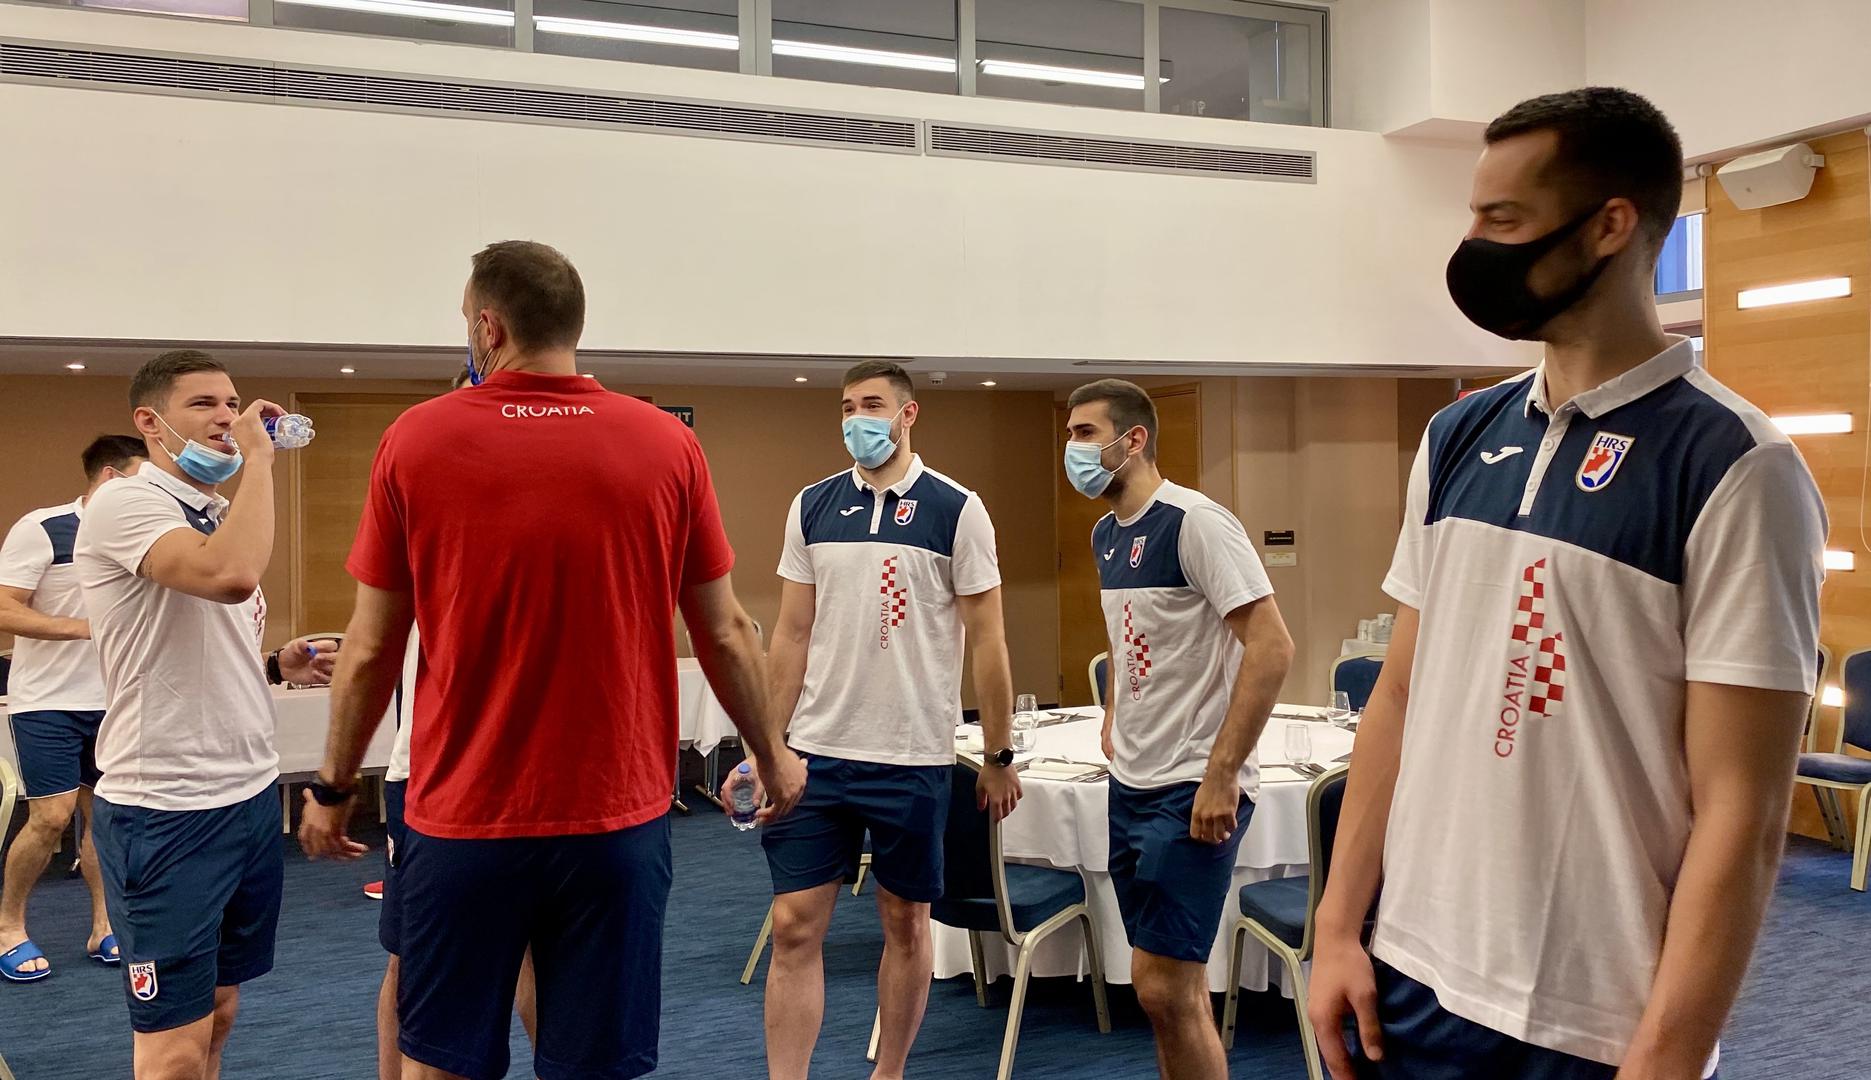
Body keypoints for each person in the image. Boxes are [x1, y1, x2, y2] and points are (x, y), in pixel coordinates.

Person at [1307, 88, 1825, 1080]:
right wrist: (1337, 927)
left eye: (1501, 219)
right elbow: (1399, 695)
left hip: (1588, 1019)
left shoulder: (1737, 466)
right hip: (1407, 975)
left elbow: (1743, 809)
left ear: (1607, 226)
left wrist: (1667, 1054)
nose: (1473, 245)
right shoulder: (1456, 434)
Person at [297, 240, 805, 1080]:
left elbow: (371, 647)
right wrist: (773, 754)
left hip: (462, 822)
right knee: (592, 1065)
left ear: (487, 327)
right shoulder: (666, 442)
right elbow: (724, 631)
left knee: (440, 1063)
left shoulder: (416, 439)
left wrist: (332, 785)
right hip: (616, 823)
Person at [749, 359, 1022, 1080]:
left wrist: (998, 756)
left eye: (871, 405)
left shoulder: (956, 508)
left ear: (907, 414)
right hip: (816, 752)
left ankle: (889, 1072)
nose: (855, 419)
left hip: (912, 755)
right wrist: (768, 747)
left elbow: (989, 641)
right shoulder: (812, 504)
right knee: (792, 925)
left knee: (905, 923)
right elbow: (791, 635)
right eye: (846, 407)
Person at [74, 350, 336, 1080]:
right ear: (149, 422)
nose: (227, 416)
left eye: (231, 401)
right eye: (203, 404)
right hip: (166, 807)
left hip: (246, 796)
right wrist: (262, 458)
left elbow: (195, 634)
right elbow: (231, 576)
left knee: (219, 1012)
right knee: (172, 1048)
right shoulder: (126, 502)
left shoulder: (213, 512)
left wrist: (273, 665)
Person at [1063, 378, 1293, 1080]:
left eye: (1084, 433)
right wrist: (1114, 711)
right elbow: (1129, 636)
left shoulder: (1195, 522)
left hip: (1191, 786)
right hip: (1130, 782)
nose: (1072, 449)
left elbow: (1271, 646)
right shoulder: (1105, 534)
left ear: (1132, 439)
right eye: (1069, 434)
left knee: (1164, 985)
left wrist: (1222, 774)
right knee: (1164, 991)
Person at [365, 370, 538, 1080]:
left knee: (539, 957)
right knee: (417, 966)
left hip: (542, 784)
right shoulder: (422, 508)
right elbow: (375, 639)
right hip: (433, 778)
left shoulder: (554, 508)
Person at [0, 434, 146, 982]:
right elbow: (3, 608)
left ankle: (104, 926)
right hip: (48, 701)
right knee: (51, 818)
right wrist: (85, 628)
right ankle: (9, 926)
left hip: (116, 701)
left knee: (106, 821)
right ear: (110, 477)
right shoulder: (44, 528)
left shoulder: (145, 535)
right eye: (143, 480)